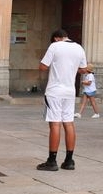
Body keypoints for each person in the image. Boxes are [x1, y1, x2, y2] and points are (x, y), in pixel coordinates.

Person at [37, 29, 88, 171]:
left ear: (56, 38)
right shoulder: (79, 48)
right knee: (68, 123)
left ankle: (52, 160)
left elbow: (43, 66)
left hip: (55, 91)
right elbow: (83, 69)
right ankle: (69, 160)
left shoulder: (55, 46)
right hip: (70, 91)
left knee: (55, 124)